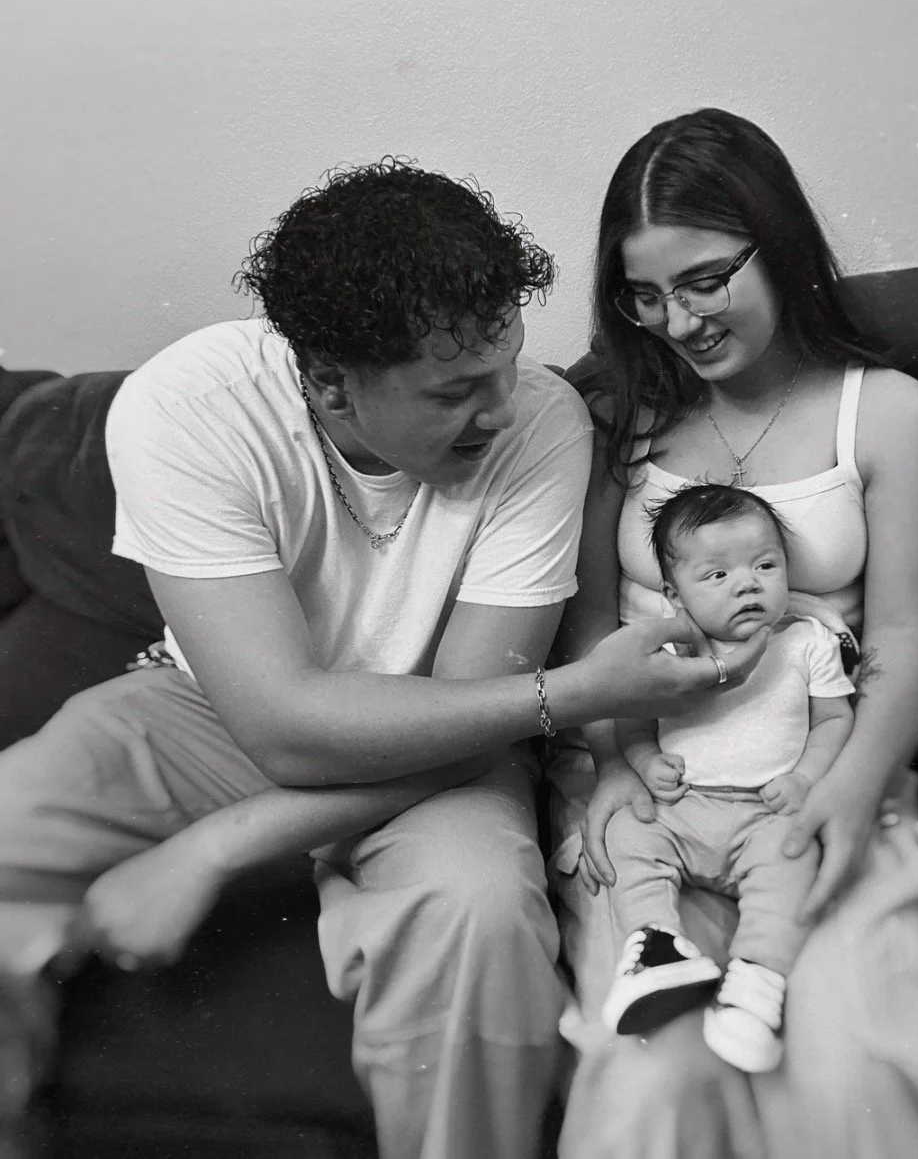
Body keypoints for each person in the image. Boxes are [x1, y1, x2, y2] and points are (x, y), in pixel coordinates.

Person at [0, 160, 736, 1159]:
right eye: (453, 392)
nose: (500, 410)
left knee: (478, 917)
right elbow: (278, 724)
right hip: (204, 711)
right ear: (329, 381)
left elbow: (484, 714)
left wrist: (209, 852)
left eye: (505, 365)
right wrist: (563, 693)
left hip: (443, 742)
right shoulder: (187, 408)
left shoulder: (544, 423)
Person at [546, 109, 918, 1158]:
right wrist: (610, 771)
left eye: (703, 280)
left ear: (776, 245)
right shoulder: (618, 419)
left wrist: (852, 786)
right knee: (659, 1072)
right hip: (657, 786)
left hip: (818, 767)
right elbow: (595, 625)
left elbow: (907, 636)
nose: (678, 321)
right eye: (644, 296)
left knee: (854, 1075)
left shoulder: (883, 414)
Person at [598, 483, 854, 1076]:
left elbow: (835, 720)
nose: (748, 584)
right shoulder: (665, 650)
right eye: (716, 575)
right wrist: (643, 761)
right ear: (673, 593)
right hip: (681, 807)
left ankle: (756, 984)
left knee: (791, 862)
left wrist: (807, 778)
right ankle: (656, 945)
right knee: (629, 839)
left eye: (766, 566)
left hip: (765, 812)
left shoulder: (804, 641)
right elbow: (630, 721)